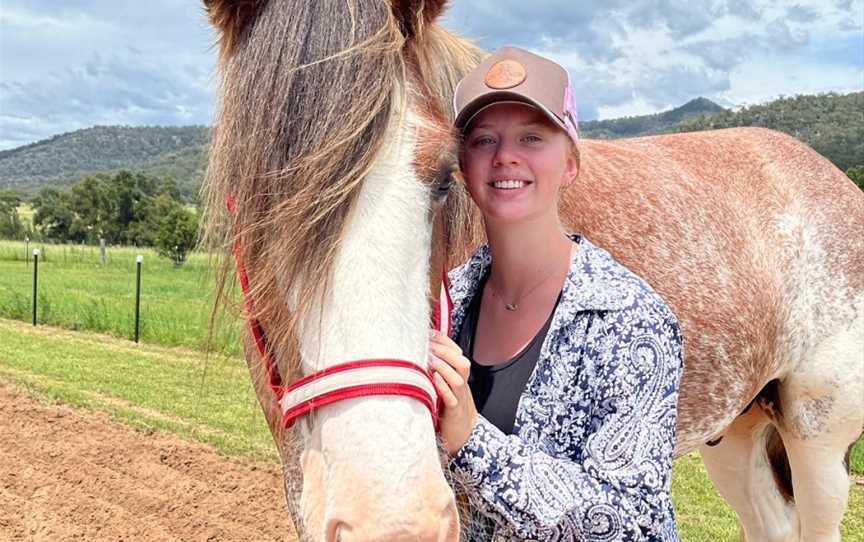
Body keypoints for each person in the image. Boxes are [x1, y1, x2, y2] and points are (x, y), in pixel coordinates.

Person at [428, 46, 684, 541]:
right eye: (484, 140)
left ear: (570, 162)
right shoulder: (447, 307)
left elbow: (630, 525)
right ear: (462, 167)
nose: (506, 156)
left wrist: (470, 438)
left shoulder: (630, 320)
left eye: (532, 137)